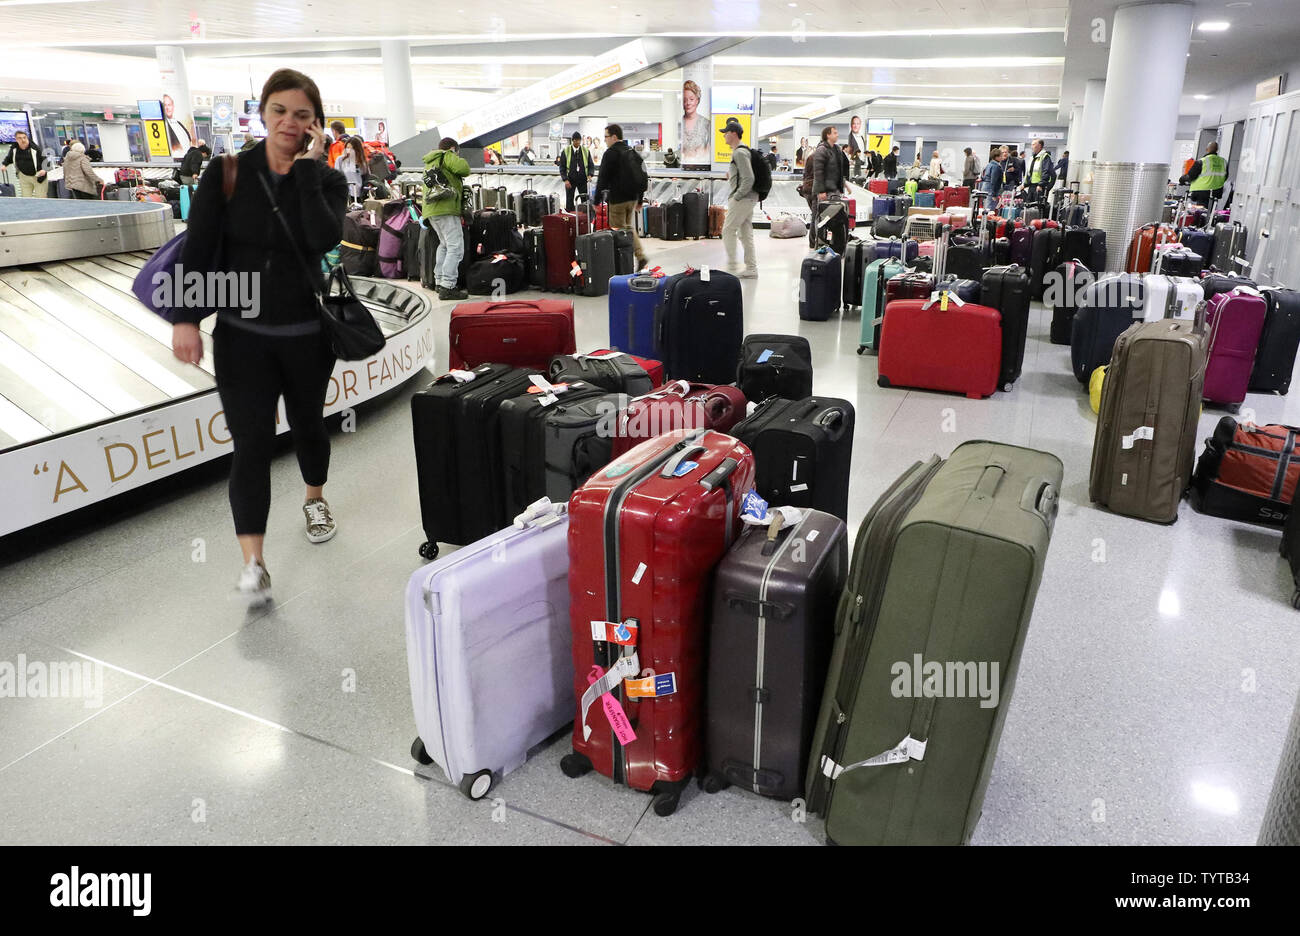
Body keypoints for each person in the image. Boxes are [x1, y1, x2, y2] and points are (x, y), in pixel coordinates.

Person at [175, 68, 349, 605]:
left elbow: (325, 238)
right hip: (241, 337)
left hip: (305, 334)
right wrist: (186, 317)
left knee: (306, 425)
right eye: (279, 111)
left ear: (315, 124)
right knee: (249, 445)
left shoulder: (326, 180)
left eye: (301, 115)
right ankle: (254, 562)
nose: (289, 123)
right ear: (262, 114)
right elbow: (199, 247)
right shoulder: (227, 174)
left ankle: (314, 496)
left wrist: (306, 172)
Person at [421, 137, 471, 301]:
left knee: (444, 245)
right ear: (452, 148)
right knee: (456, 247)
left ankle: (439, 280)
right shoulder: (446, 155)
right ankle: (448, 286)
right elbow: (464, 169)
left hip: (432, 210)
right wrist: (454, 155)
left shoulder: (431, 161)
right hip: (446, 208)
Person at [595, 124, 649, 272]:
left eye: (606, 136)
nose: (605, 140)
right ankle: (635, 258)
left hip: (618, 199)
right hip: (632, 198)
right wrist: (639, 199)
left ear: (614, 137)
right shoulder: (631, 152)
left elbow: (602, 178)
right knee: (628, 228)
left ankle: (626, 261)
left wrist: (596, 200)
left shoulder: (610, 153)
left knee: (619, 231)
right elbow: (643, 176)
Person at [719, 118, 758, 278]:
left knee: (728, 230)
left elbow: (749, 178)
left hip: (743, 198)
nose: (724, 136)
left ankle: (732, 267)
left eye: (726, 133)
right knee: (745, 232)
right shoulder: (742, 151)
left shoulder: (740, 152)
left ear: (733, 133)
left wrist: (737, 196)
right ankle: (751, 268)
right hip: (749, 197)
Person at [810, 124, 849, 247]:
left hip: (835, 189)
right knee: (820, 217)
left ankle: (832, 242)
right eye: (835, 133)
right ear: (828, 135)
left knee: (834, 217)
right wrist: (821, 191)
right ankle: (815, 242)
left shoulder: (837, 149)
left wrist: (844, 185)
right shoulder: (821, 150)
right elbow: (818, 172)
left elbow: (839, 170)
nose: (837, 135)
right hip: (825, 190)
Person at [1, 130, 49, 197]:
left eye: (24, 137)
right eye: (20, 138)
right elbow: (9, 158)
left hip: (38, 175)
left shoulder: (35, 148)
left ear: (27, 138)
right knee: (26, 198)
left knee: (40, 197)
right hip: (24, 176)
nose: (23, 140)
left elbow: (46, 160)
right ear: (16, 140)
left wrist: (44, 170)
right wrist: (4, 165)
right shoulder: (14, 149)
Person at [1181, 141, 1228, 207]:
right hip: (1216, 192)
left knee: (1200, 212)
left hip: (1202, 192)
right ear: (1217, 150)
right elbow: (1225, 176)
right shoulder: (1223, 162)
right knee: (1210, 211)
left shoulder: (1202, 161)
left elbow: (1190, 176)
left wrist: (1182, 179)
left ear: (1206, 149)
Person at [556, 131, 594, 211]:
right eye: (576, 140)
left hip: (582, 180)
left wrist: (590, 174)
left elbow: (591, 165)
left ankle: (585, 217)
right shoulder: (566, 151)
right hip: (570, 180)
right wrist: (565, 180)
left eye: (579, 140)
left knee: (584, 200)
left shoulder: (585, 151)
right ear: (572, 141)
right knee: (569, 200)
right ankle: (570, 218)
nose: (577, 142)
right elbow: (562, 167)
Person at [680, 79, 712, 166]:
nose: (688, 103)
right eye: (684, 100)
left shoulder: (706, 124)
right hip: (684, 168)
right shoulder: (680, 122)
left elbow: (709, 149)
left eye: (691, 99)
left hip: (702, 167)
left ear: (697, 100)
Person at [1022, 138, 1055, 205]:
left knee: (1038, 206)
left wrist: (1041, 184)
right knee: (1028, 205)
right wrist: (1025, 184)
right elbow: (1030, 173)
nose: (1032, 146)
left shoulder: (1045, 156)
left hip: (1040, 186)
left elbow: (1046, 171)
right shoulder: (1033, 157)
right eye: (1032, 144)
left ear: (1040, 146)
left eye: (1034, 144)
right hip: (1032, 186)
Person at [162, 93, 193, 159]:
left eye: (169, 105)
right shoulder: (162, 125)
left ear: (173, 106)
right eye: (165, 105)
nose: (167, 108)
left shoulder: (178, 123)